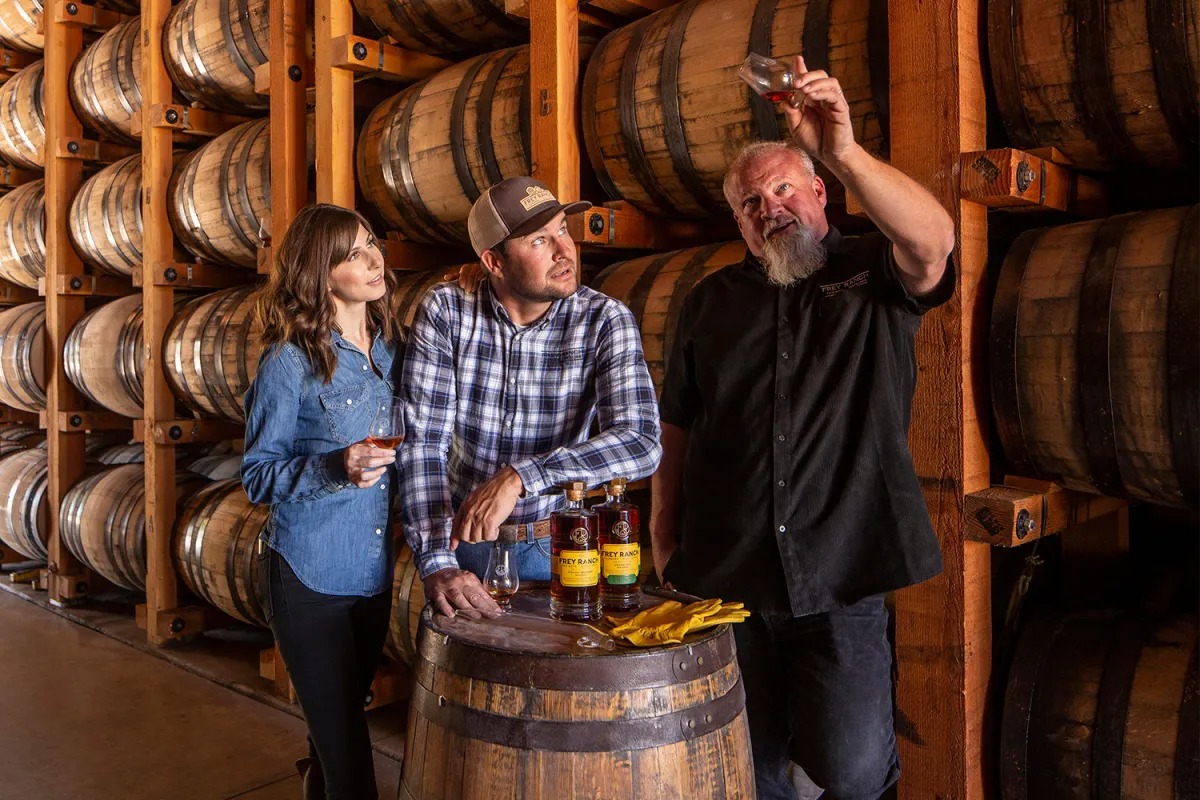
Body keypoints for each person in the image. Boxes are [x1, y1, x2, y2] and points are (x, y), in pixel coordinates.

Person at [651, 55, 957, 800]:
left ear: (820, 192)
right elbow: (678, 428)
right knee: (741, 774)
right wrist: (665, 539)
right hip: (726, 581)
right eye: (750, 203)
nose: (769, 208)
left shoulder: (871, 272)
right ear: (740, 224)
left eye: (783, 188)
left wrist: (843, 149)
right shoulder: (709, 302)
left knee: (852, 774)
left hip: (841, 573)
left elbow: (935, 242)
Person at [399, 176, 662, 619]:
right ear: (493, 261)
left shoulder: (603, 319)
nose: (565, 250)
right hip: (467, 549)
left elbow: (641, 441)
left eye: (562, 228)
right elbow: (423, 445)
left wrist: (521, 477)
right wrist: (438, 563)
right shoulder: (446, 311)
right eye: (540, 240)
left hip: (559, 546)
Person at [241, 203, 403, 800]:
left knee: (329, 742)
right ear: (320, 271)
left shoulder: (391, 353)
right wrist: (337, 465)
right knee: (351, 761)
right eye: (353, 254)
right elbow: (257, 476)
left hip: (371, 576)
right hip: (308, 577)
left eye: (371, 243)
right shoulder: (290, 362)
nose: (373, 259)